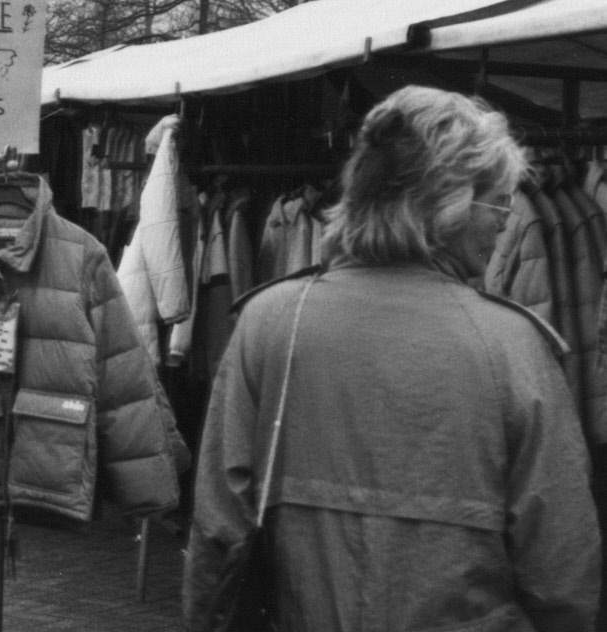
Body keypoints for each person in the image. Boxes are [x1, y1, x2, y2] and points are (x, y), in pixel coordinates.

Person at [184, 86, 600, 630]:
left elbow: (219, 530)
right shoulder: (513, 344)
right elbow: (561, 565)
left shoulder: (270, 321)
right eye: (497, 202)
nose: (505, 220)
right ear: (449, 202)